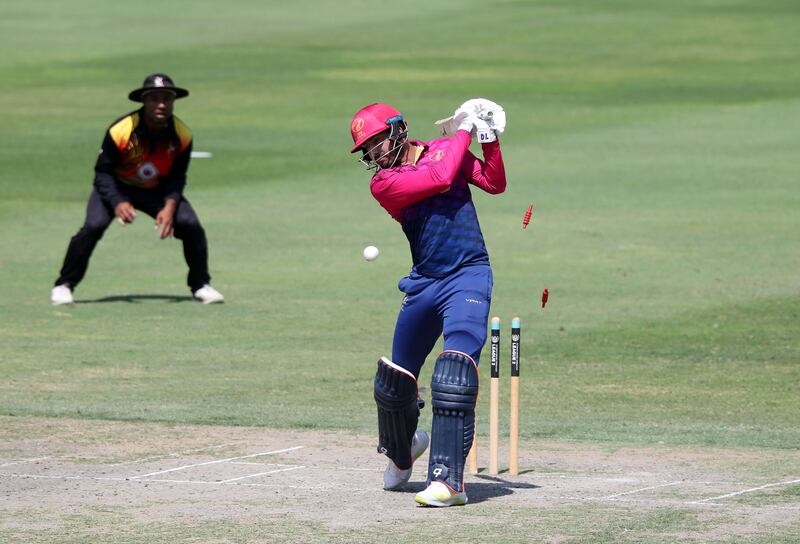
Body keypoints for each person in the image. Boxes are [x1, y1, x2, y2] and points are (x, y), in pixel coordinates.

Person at [349, 100, 507, 506]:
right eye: (366, 150)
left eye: (375, 143)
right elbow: (438, 177)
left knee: (453, 371)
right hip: (424, 284)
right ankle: (403, 456)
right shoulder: (384, 183)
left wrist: (487, 139)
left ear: (398, 130)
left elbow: (493, 182)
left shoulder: (442, 148)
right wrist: (463, 132)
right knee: (394, 382)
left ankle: (449, 482)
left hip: (468, 274)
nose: (372, 154)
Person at [50, 73, 224, 305]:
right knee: (93, 226)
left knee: (191, 226)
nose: (161, 104)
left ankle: (201, 285)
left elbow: (177, 177)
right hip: (116, 187)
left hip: (156, 191)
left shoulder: (182, 135)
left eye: (167, 99)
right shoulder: (121, 130)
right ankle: (64, 285)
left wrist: (170, 208)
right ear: (144, 100)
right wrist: (118, 202)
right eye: (155, 98)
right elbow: (102, 173)